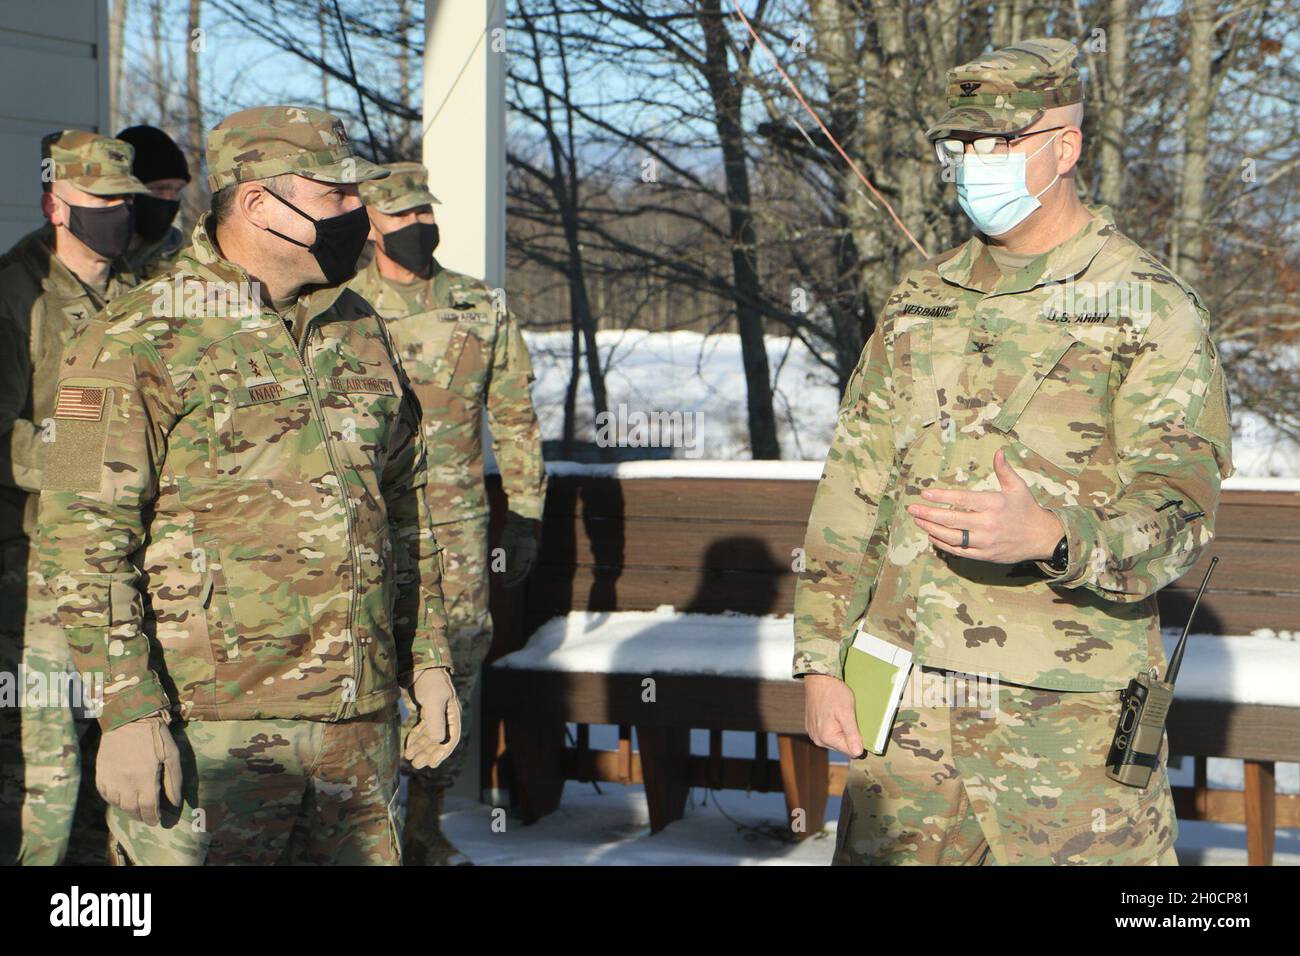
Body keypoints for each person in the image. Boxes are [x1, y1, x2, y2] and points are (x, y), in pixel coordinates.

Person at [794, 38, 1233, 865]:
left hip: (1065, 720)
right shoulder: (924, 299)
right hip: (907, 710)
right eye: (962, 143)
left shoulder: (1147, 306)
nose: (975, 162)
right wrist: (821, 661)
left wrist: (1055, 537)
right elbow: (854, 487)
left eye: (1002, 142)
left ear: (1065, 147)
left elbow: (1180, 509)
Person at [36, 106, 459, 865]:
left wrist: (427, 661)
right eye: (336, 195)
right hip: (209, 738)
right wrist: (127, 711)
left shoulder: (359, 324)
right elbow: (75, 538)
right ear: (261, 202)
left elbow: (405, 504)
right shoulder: (127, 334)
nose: (358, 213)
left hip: (356, 733)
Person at [349, 162, 546, 865]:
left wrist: (525, 513)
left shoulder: (478, 305)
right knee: (367, 666)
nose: (417, 227)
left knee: (454, 668)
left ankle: (427, 824)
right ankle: (371, 827)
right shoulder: (341, 306)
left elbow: (516, 414)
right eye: (400, 217)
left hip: (457, 528)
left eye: (423, 214)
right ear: (370, 223)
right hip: (365, 526)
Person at [0, 130, 149, 865]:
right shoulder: (14, 295)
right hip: (34, 567)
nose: (118, 215)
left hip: (129, 566)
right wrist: (88, 460)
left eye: (127, 202)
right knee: (39, 773)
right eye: (101, 202)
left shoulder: (140, 291)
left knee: (118, 762)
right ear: (56, 204)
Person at [116, 124, 192, 280]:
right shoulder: (93, 258)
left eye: (177, 190)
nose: (169, 200)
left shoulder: (183, 262)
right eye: (159, 190)